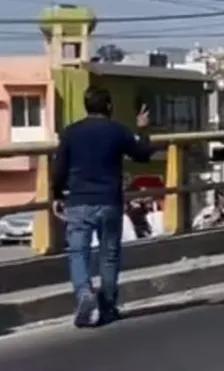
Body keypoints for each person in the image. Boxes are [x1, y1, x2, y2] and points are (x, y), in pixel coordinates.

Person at [51, 87, 153, 328]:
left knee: (78, 252)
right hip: (109, 201)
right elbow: (142, 155)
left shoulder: (70, 133)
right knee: (109, 254)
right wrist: (143, 129)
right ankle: (107, 306)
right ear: (108, 106)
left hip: (78, 201)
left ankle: (84, 295)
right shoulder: (117, 131)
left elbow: (59, 169)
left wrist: (57, 194)